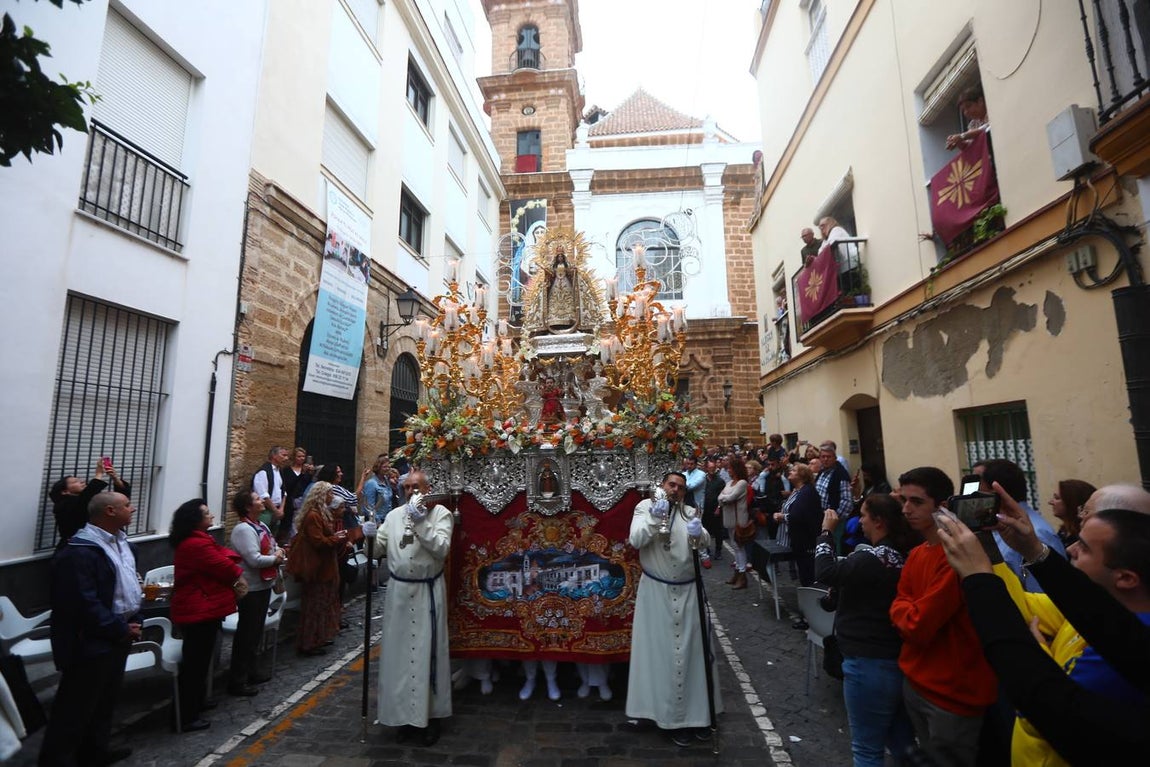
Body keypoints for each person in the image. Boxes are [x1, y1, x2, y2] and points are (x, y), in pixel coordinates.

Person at [935, 482, 1150, 766]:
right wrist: (1032, 550)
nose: (1070, 548)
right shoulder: (1108, 613)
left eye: (1085, 546)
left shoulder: (1125, 643)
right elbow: (1091, 612)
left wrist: (979, 578)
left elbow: (1048, 703)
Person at [889, 467, 997, 767]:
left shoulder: (957, 560)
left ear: (942, 506)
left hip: (952, 695)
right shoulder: (917, 553)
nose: (907, 509)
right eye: (904, 501)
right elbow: (901, 604)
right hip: (917, 682)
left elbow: (917, 624)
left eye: (917, 502)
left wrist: (904, 611)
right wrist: (905, 609)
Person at [816, 494, 919, 767]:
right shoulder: (896, 555)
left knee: (867, 750)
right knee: (902, 744)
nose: (860, 521)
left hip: (868, 659)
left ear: (879, 521)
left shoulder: (875, 558)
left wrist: (826, 532)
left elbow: (825, 571)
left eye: (863, 515)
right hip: (891, 657)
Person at [40, 492, 141, 766]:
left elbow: (127, 584)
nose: (132, 509)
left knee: (104, 702)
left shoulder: (121, 542)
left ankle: (95, 752)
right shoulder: (79, 551)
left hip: (118, 634)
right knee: (74, 707)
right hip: (90, 641)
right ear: (110, 511)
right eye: (127, 506)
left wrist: (133, 620)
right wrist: (119, 628)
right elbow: (84, 603)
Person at [626, 471, 721, 747]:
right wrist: (656, 518)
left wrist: (699, 533)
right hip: (657, 593)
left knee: (692, 656)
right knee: (660, 657)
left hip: (689, 592)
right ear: (662, 486)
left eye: (680, 486)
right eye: (671, 484)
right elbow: (636, 539)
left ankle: (698, 717)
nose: (675, 490)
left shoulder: (691, 511)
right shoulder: (644, 508)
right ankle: (661, 715)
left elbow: (701, 540)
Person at [363, 470, 453, 747]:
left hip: (427, 591)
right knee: (398, 657)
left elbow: (441, 549)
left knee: (429, 653)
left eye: (417, 487)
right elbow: (377, 550)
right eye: (407, 487)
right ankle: (402, 717)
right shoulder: (392, 516)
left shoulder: (441, 515)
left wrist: (420, 523)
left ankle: (430, 718)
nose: (412, 491)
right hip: (399, 594)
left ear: (427, 489)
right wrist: (368, 536)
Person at [169, 498, 245, 731]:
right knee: (194, 663)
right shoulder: (196, 544)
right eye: (207, 513)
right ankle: (187, 715)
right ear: (196, 520)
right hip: (198, 608)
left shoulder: (201, 540)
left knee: (201, 660)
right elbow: (225, 565)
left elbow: (225, 558)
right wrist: (233, 568)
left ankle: (197, 702)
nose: (212, 516)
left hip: (204, 607)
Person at [973, 459, 1066, 593]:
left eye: (979, 489)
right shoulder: (1000, 525)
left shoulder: (1038, 533)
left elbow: (1044, 595)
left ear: (995, 493)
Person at [228, 489, 285, 696]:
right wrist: (276, 559)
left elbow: (273, 545)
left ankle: (251, 671)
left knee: (255, 632)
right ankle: (238, 679)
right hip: (251, 588)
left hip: (264, 586)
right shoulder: (243, 530)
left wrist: (278, 552)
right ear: (248, 506)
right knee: (247, 634)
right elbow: (253, 559)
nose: (262, 500)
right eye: (257, 499)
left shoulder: (260, 525)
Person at [285, 481, 349, 656]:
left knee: (321, 604)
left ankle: (318, 638)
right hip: (318, 568)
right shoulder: (314, 516)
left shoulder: (319, 514)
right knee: (315, 605)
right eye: (329, 493)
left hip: (324, 566)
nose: (331, 496)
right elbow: (318, 542)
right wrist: (337, 538)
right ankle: (308, 642)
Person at [50, 458, 132, 549]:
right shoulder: (64, 505)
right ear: (65, 491)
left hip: (106, 544)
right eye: (75, 482)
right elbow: (84, 501)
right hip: (78, 547)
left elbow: (120, 500)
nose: (82, 481)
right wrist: (99, 474)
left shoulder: (89, 499)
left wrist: (115, 478)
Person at [774, 462, 822, 601]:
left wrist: (782, 517)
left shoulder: (807, 492)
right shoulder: (798, 491)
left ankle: (813, 609)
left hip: (806, 541)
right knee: (804, 574)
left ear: (802, 475)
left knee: (809, 576)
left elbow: (799, 515)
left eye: (794, 470)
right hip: (798, 540)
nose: (790, 471)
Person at [718, 455, 750, 589]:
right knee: (734, 546)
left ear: (736, 469)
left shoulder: (742, 483)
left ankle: (742, 575)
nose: (728, 471)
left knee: (739, 547)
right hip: (730, 519)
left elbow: (730, 497)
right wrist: (724, 498)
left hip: (739, 520)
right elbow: (720, 497)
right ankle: (737, 572)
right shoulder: (728, 483)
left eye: (730, 468)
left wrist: (724, 498)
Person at [278, 447, 314, 546]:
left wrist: (311, 473)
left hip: (304, 500)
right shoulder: (287, 470)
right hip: (291, 501)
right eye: (299, 456)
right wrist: (301, 474)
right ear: (294, 457)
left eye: (303, 456)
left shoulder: (307, 470)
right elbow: (289, 486)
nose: (301, 458)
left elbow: (308, 485)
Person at [1048, 478, 1096, 548]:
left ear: (1072, 502)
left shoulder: (1084, 536)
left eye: (1057, 498)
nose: (1050, 502)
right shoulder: (1064, 531)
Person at [253, 446, 289, 532]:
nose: (286, 458)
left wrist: (281, 509)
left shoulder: (280, 471)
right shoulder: (263, 472)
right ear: (274, 456)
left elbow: (283, 491)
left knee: (273, 537)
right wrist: (275, 510)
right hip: (265, 511)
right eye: (283, 455)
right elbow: (263, 495)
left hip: (277, 510)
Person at [945, 85, 990, 151]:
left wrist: (962, 136)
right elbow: (969, 147)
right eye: (963, 110)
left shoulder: (991, 113)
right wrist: (958, 142)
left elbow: (986, 128)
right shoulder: (972, 124)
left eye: (968, 106)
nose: (966, 112)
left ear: (980, 101)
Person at [702, 459, 725, 561]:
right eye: (710, 468)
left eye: (713, 468)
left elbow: (723, 495)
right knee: (705, 530)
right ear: (706, 468)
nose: (712, 470)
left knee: (718, 531)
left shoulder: (720, 481)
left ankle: (718, 550)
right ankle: (706, 549)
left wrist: (719, 508)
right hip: (705, 509)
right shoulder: (702, 480)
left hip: (716, 509)